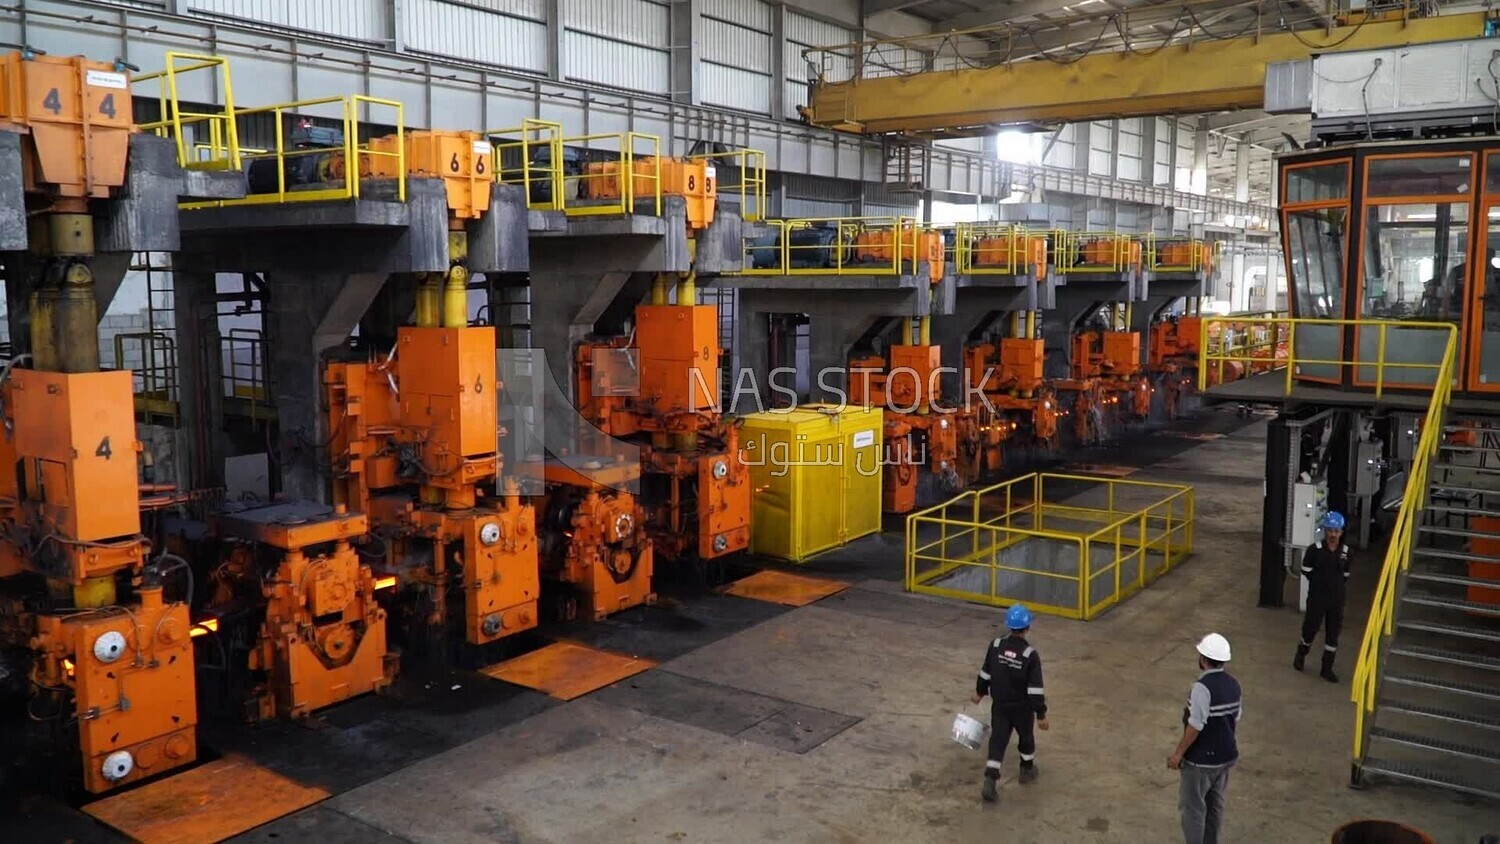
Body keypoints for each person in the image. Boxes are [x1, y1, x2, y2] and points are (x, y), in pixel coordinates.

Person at [970, 603, 1048, 803]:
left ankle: (990, 779)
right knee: (1026, 737)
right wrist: (1041, 715)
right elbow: (1035, 690)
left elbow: (985, 672)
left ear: (1009, 625)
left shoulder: (995, 646)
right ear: (1027, 627)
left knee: (998, 740)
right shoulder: (1030, 655)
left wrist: (979, 693)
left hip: (1000, 705)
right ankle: (1027, 770)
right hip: (1022, 708)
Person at [1168, 633, 1241, 844]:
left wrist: (1178, 754)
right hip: (1226, 758)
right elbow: (1235, 718)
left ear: (1203, 659)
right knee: (1214, 806)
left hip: (1201, 762)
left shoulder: (1201, 688)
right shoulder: (1234, 685)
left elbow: (1195, 725)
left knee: (1193, 810)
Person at [1295, 511, 1352, 683]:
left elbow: (1346, 575)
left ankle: (1327, 668)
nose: (1333, 535)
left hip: (1336, 600)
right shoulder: (1314, 550)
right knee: (1310, 627)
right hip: (1317, 599)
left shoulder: (1347, 553)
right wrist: (1320, 584)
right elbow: (1306, 570)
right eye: (1330, 531)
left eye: (1336, 531)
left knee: (1333, 633)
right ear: (1325, 531)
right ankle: (1301, 654)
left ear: (1341, 532)